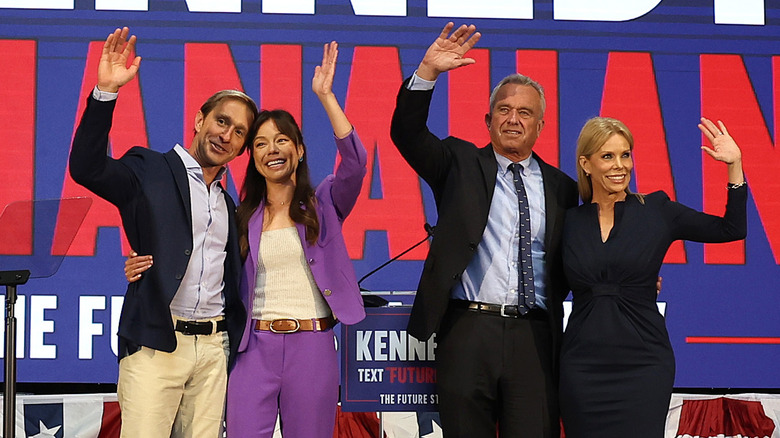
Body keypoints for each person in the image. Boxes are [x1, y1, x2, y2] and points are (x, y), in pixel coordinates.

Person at [126, 41, 367, 437]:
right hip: (252, 348)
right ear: (251, 157)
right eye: (259, 143)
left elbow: (355, 164)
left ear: (300, 149)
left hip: (313, 345)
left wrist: (326, 96)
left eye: (282, 140)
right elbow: (193, 256)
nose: (272, 149)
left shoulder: (323, 203)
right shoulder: (239, 216)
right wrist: (141, 262)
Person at [389, 23, 579, 437]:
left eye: (525, 112)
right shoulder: (457, 162)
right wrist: (427, 73)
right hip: (468, 331)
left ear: (541, 126)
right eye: (505, 111)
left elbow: (580, 253)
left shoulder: (563, 188)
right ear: (488, 119)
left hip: (536, 336)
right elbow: (406, 134)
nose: (513, 119)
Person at [70, 27, 255, 438]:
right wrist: (105, 92)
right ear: (199, 119)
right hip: (156, 341)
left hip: (212, 351)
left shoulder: (229, 204)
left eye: (239, 132)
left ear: (243, 148)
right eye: (221, 121)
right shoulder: (149, 169)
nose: (226, 135)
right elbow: (87, 168)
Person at [558, 116, 747, 437]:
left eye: (625, 154)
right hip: (581, 368)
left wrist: (734, 165)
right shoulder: (568, 222)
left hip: (643, 366)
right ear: (585, 164)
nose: (620, 165)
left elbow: (732, 229)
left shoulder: (656, 210)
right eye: (608, 156)